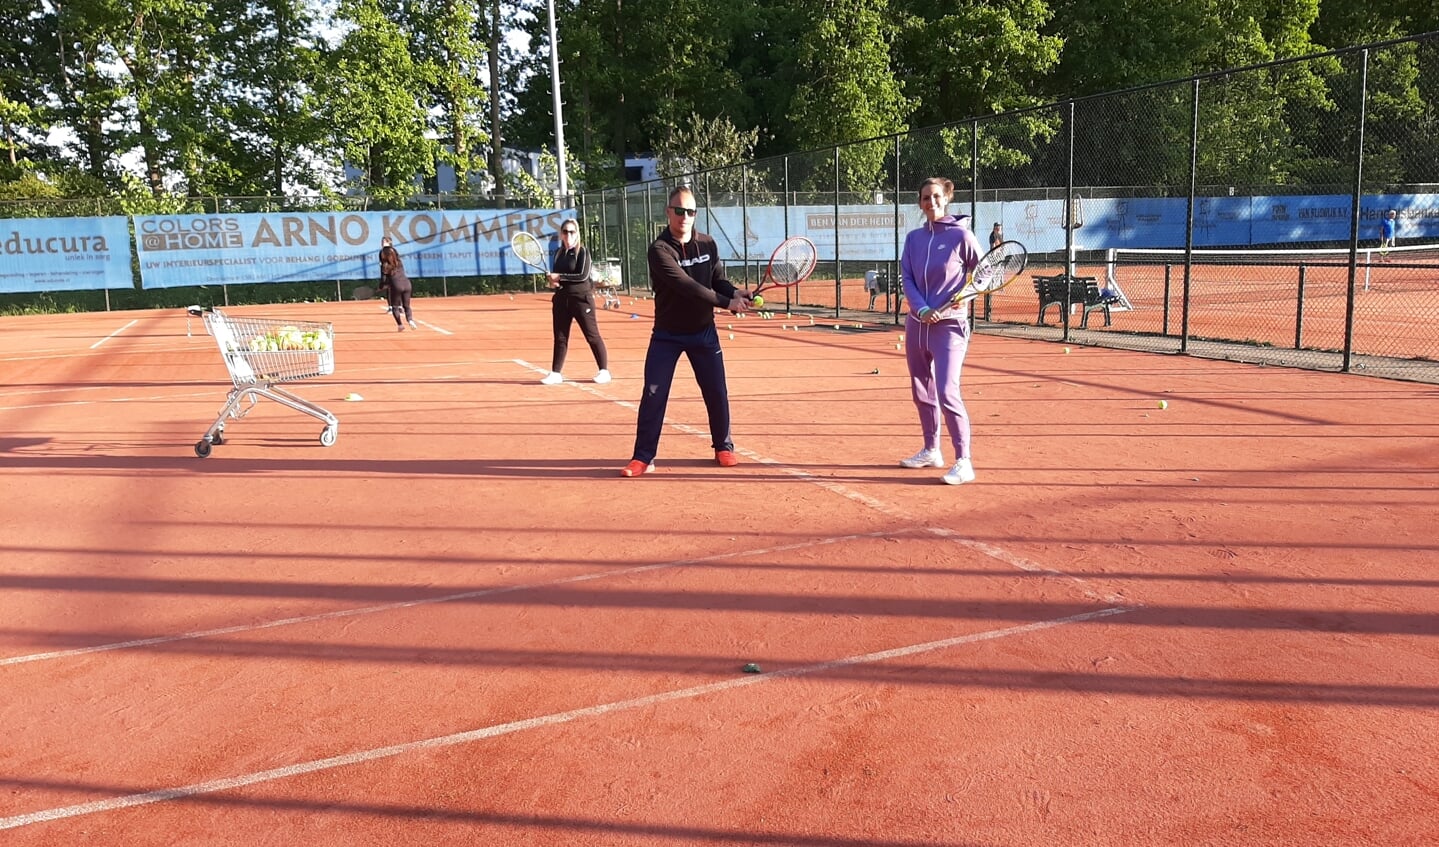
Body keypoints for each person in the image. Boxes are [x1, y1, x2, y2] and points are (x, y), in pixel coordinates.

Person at [621, 186, 753, 477]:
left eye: (690, 211)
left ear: (696, 214)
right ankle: (643, 457)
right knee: (653, 393)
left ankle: (723, 447)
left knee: (716, 391)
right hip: (667, 335)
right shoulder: (659, 250)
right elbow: (688, 287)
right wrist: (727, 302)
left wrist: (735, 292)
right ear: (668, 212)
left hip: (703, 333)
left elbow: (717, 281)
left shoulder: (708, 244)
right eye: (678, 210)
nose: (684, 217)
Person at [899, 177, 984, 485]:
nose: (930, 202)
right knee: (922, 389)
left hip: (950, 326)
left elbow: (983, 275)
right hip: (916, 324)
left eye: (935, 196)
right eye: (925, 198)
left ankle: (964, 461)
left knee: (947, 391)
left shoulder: (963, 236)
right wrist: (921, 309)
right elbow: (907, 277)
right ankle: (931, 449)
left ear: (946, 198)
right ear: (920, 203)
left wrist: (957, 303)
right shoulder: (913, 239)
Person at [539, 221, 611, 385]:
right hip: (561, 301)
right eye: (565, 232)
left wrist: (560, 277)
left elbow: (582, 276)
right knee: (560, 338)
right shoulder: (558, 253)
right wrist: (553, 282)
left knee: (592, 336)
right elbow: (558, 280)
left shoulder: (583, 252)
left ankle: (604, 371)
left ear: (577, 233)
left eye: (572, 232)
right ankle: (556, 373)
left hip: (581, 301)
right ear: (561, 234)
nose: (568, 235)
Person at [379, 237, 414, 331]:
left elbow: (383, 278)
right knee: (406, 306)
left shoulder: (385, 266)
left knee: (394, 307)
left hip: (396, 285)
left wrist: (381, 286)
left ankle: (400, 325)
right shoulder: (399, 262)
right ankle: (410, 320)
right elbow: (393, 253)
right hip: (407, 284)